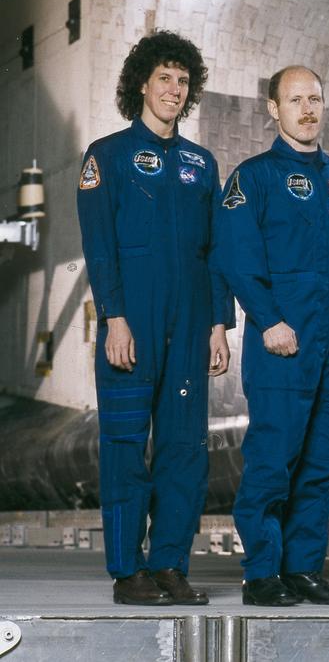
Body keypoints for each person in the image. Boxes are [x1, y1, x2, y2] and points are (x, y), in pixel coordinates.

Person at [77, 30, 230, 606]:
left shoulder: (200, 163)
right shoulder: (107, 156)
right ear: (142, 83)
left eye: (183, 81)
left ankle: (169, 563)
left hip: (190, 324)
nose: (173, 89)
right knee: (123, 445)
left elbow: (215, 250)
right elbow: (100, 248)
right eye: (164, 77)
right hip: (132, 325)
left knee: (184, 450)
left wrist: (218, 323)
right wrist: (113, 317)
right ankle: (127, 571)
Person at [214, 65, 329, 607]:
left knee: (322, 466)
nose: (307, 109)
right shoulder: (252, 178)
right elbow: (236, 258)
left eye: (315, 98)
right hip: (283, 344)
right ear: (273, 109)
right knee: (273, 463)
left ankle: (302, 570)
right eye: (294, 99)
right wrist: (269, 319)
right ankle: (261, 573)